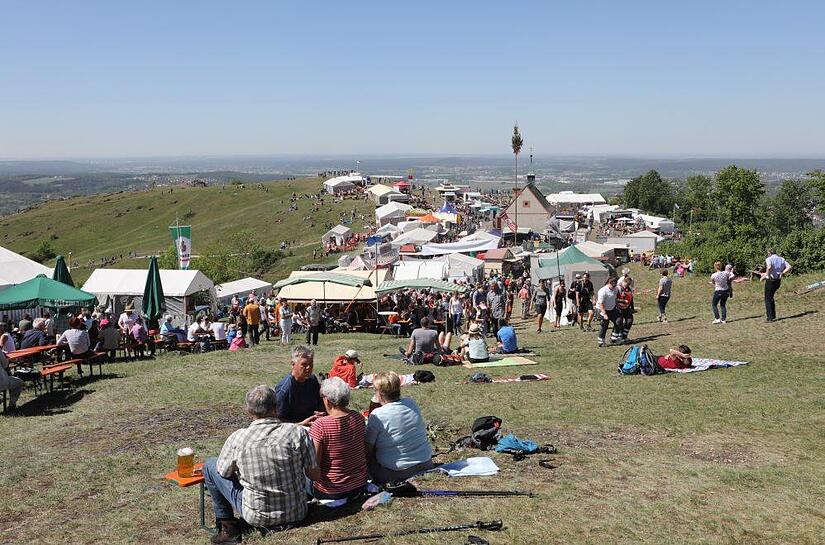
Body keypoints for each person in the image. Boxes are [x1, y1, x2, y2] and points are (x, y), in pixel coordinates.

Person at [202, 385, 319, 543]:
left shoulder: (238, 438)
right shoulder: (298, 433)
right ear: (276, 407)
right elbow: (314, 474)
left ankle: (228, 528)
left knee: (210, 465)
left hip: (258, 517)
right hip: (297, 512)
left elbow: (223, 472)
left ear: (249, 411)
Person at [365, 372, 433, 484]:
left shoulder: (378, 415)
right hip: (426, 464)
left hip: (395, 472)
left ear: (380, 395)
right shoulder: (411, 403)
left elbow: (367, 449)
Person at [308, 377, 367, 500]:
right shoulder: (358, 418)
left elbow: (314, 468)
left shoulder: (320, 426)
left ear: (327, 400)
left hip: (331, 490)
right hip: (359, 485)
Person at [275, 345, 324, 425]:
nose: (308, 368)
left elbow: (320, 403)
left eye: (311, 364)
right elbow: (277, 421)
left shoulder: (312, 379)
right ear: (293, 364)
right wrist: (302, 424)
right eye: (304, 364)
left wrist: (322, 413)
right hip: (293, 430)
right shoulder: (285, 389)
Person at [762, 249, 792, 322]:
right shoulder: (781, 259)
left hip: (771, 280)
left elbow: (769, 267)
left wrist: (767, 275)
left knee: (767, 299)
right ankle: (773, 315)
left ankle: (770, 318)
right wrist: (782, 273)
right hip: (778, 281)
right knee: (771, 297)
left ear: (769, 253)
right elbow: (789, 266)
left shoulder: (768, 259)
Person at [597, 276, 622, 347]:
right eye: (614, 283)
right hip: (603, 310)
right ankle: (601, 342)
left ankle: (614, 339)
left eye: (616, 283)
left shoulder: (616, 289)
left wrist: (618, 307)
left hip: (612, 309)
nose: (615, 285)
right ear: (610, 282)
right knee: (604, 325)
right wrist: (604, 314)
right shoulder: (603, 291)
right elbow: (600, 303)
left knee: (619, 321)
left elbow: (615, 299)